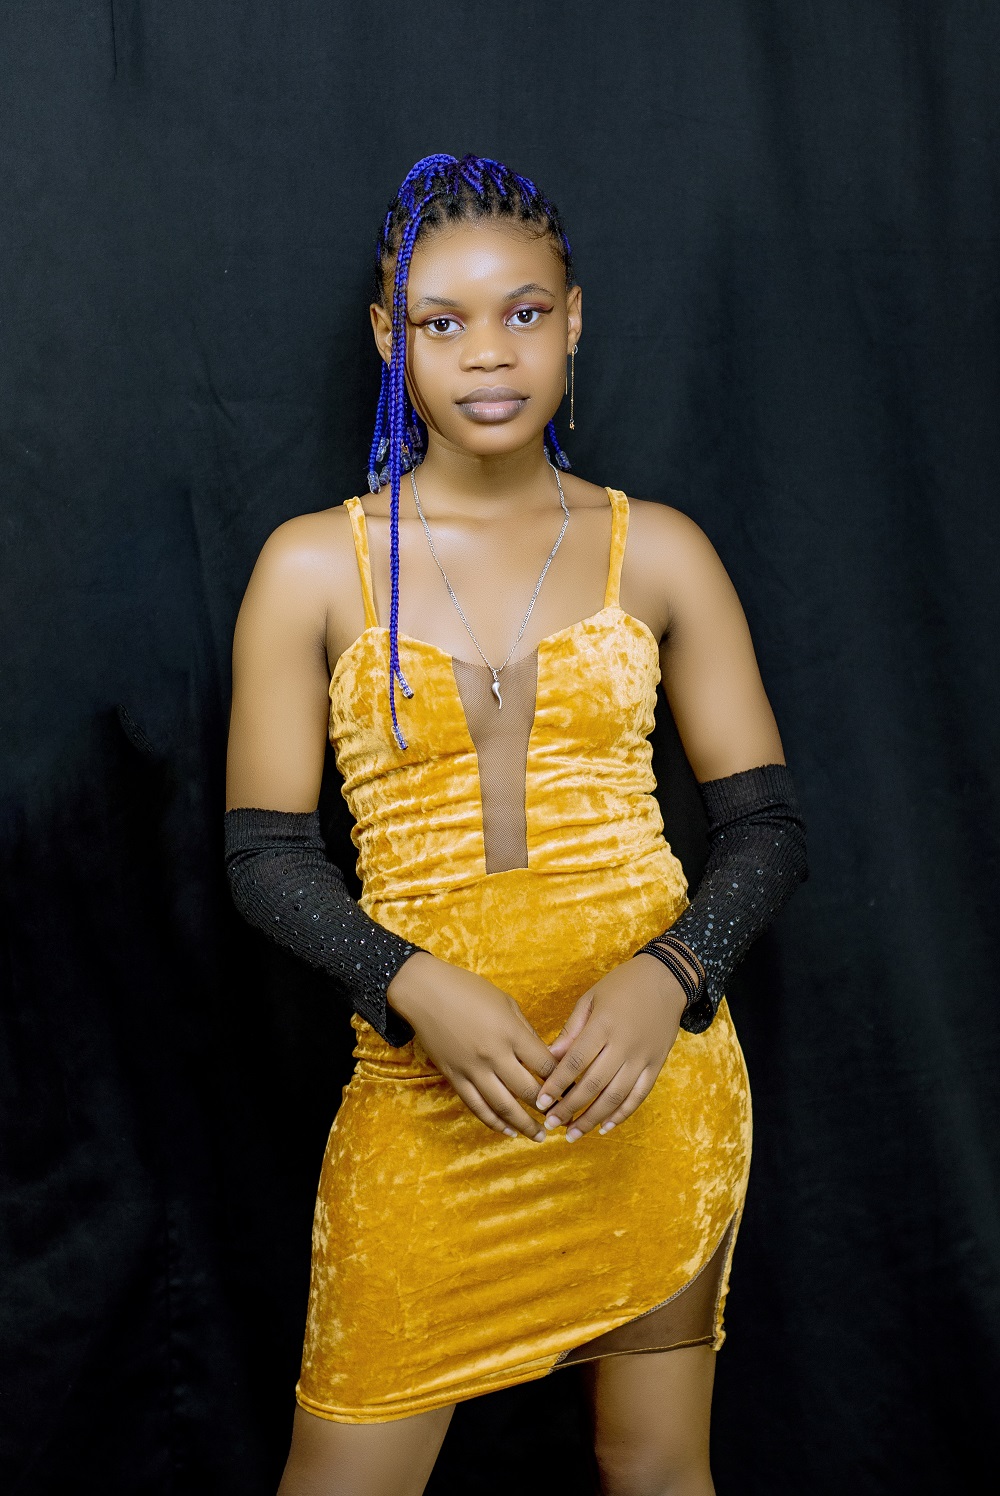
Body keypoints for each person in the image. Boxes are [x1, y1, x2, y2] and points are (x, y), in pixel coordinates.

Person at [224, 153, 807, 1496]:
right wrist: (408, 982)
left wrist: (673, 977)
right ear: (392, 339)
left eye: (525, 313)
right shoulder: (314, 564)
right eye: (444, 322)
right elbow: (264, 856)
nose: (488, 353)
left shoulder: (660, 550)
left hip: (643, 1090)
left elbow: (768, 825)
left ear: (574, 320)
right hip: (429, 1099)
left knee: (656, 1471)